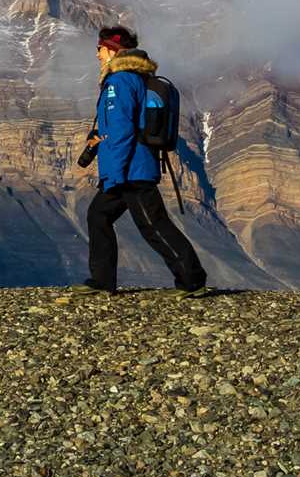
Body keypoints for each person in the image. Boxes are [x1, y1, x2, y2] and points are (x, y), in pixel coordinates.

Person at [76, 26, 209, 297]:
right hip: (129, 167)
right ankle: (102, 281)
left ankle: (192, 281)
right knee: (98, 215)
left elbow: (121, 130)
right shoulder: (130, 78)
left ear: (113, 50)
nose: (98, 55)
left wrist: (116, 174)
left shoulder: (121, 81)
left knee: (153, 224)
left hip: (130, 170)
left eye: (100, 49)